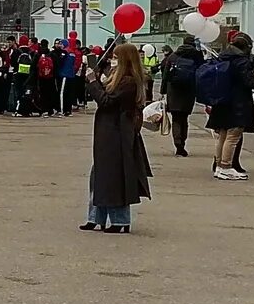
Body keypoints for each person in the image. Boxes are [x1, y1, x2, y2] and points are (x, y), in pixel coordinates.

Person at [84, 33, 152, 232]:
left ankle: (119, 220)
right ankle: (96, 216)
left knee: (114, 176)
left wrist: (93, 83)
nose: (112, 60)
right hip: (110, 131)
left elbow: (106, 101)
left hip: (117, 132)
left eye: (115, 57)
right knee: (100, 175)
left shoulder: (129, 82)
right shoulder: (120, 79)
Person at [203, 30, 254, 181]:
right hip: (237, 101)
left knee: (222, 135)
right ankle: (226, 167)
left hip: (221, 100)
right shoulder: (241, 61)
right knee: (233, 135)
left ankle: (219, 166)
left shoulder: (222, 58)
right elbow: (247, 81)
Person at [162, 35, 204, 156]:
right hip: (189, 91)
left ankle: (178, 143)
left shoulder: (173, 56)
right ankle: (183, 143)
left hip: (174, 91)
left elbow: (165, 75)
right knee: (184, 118)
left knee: (176, 119)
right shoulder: (196, 56)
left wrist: (163, 91)